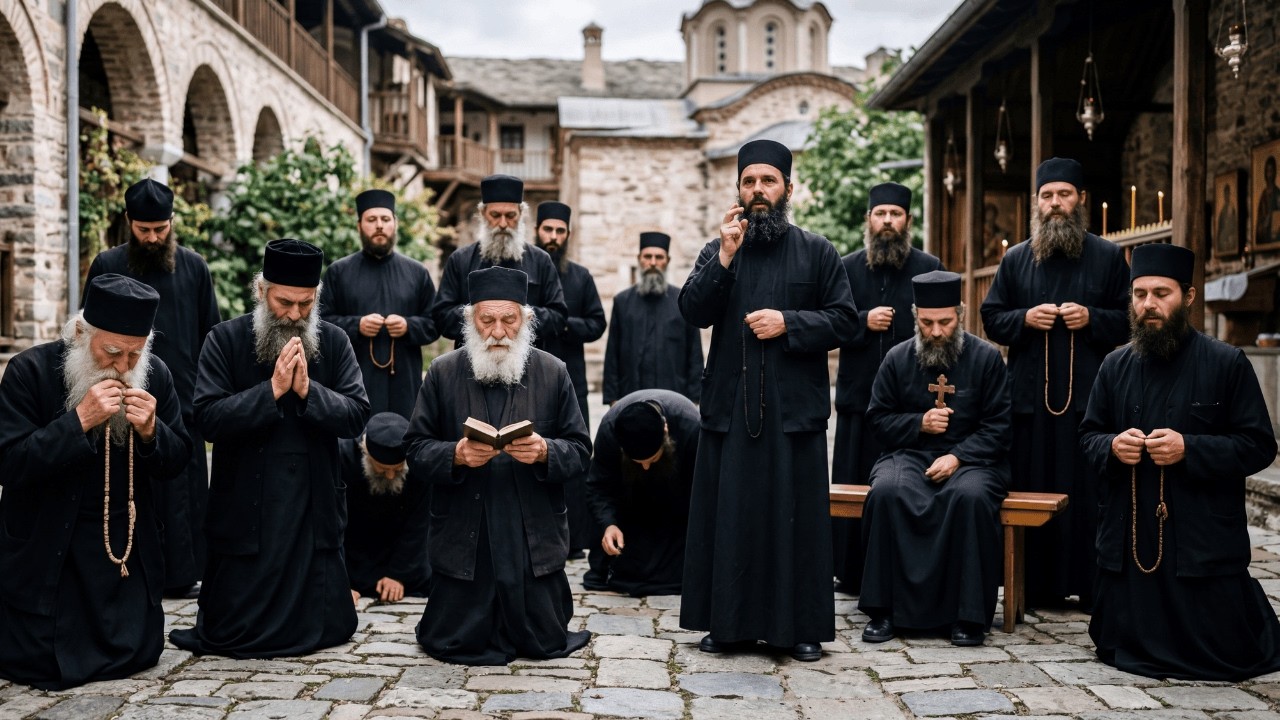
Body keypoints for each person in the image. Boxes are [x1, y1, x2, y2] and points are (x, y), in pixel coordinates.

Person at [678, 139, 859, 662]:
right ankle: (727, 625)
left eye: (768, 181)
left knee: (793, 521)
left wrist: (790, 323)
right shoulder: (719, 249)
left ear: (787, 188)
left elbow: (846, 320)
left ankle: (798, 628)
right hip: (730, 410)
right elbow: (692, 310)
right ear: (738, 189)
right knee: (730, 516)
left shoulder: (818, 251)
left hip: (792, 414)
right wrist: (726, 257)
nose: (758, 191)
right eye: (749, 181)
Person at [1080, 243, 1280, 681]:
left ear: (1188, 297)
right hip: (1132, 546)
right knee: (1117, 643)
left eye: (1161, 293)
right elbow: (1088, 438)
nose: (1148, 304)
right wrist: (1113, 446)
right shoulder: (1114, 366)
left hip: (1199, 542)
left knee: (1227, 650)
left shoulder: (1226, 362)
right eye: (1139, 294)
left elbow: (1258, 445)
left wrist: (1191, 448)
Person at [170, 239, 370, 658]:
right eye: (285, 303)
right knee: (235, 618)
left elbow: (356, 415)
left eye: (306, 303)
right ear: (261, 292)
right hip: (245, 498)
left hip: (311, 499)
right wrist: (273, 391)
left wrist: (308, 391)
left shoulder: (333, 342)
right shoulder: (224, 339)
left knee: (324, 617)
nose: (295, 315)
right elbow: (206, 418)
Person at [0, 274, 190, 689]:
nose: (123, 368)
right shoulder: (28, 371)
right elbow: (10, 463)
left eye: (134, 355)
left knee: (137, 652)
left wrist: (151, 432)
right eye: (111, 353)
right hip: (50, 549)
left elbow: (178, 463)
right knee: (42, 659)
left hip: (121, 551)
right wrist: (78, 421)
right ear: (81, 334)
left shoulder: (155, 375)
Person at [406, 266, 592, 665]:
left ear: (525, 320)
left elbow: (579, 450)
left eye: (509, 319)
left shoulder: (553, 372)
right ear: (470, 321)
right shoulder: (443, 372)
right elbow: (416, 449)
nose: (498, 331)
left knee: (539, 633)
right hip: (464, 526)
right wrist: (454, 455)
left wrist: (545, 450)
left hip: (530, 526)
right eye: (486, 320)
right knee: (453, 634)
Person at [980, 157, 1130, 611]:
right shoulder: (1016, 257)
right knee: (1031, 486)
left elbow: (1129, 319)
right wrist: (1024, 318)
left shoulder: (1106, 256)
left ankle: (1088, 583)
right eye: (1047, 196)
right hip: (1030, 404)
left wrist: (1092, 318)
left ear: (1080, 200)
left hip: (1088, 404)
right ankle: (1036, 584)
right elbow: (991, 317)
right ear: (1036, 204)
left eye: (1064, 194)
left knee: (1088, 494)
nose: (1055, 203)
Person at [858, 271, 1010, 647]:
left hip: (974, 460)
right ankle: (884, 611)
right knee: (887, 493)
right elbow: (877, 418)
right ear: (915, 317)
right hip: (909, 453)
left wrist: (958, 456)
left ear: (960, 313)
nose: (937, 332)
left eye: (945, 322)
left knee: (969, 498)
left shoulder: (987, 359)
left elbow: (1000, 427)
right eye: (927, 323)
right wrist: (919, 424)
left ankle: (967, 616)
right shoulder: (896, 359)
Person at [84, 178, 221, 597]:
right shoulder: (107, 264)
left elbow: (209, 334)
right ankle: (128, 564)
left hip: (184, 400)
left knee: (183, 492)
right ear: (129, 222)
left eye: (160, 229)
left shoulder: (194, 266)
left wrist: (204, 392)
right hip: (119, 392)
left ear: (172, 222)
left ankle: (184, 574)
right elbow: (87, 331)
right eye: (144, 230)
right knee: (127, 485)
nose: (152, 237)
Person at [832, 182, 943, 593]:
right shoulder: (846, 267)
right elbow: (830, 324)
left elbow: (943, 327)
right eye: (881, 214)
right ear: (869, 220)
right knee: (854, 484)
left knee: (904, 485)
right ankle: (851, 570)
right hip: (857, 400)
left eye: (896, 215)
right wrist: (863, 321)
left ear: (908, 221)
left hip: (909, 406)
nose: (888, 222)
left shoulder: (929, 266)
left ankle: (899, 567)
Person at [321, 189, 438, 419]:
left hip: (404, 382)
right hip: (353, 380)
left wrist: (408, 326)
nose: (379, 226)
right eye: (371, 219)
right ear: (359, 225)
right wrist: (357, 326)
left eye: (385, 219)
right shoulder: (339, 272)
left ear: (395, 223)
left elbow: (435, 322)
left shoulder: (417, 272)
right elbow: (321, 324)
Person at [532, 200, 606, 560]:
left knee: (574, 451)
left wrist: (561, 323)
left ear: (568, 235)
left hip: (570, 377)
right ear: (537, 231)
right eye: (548, 230)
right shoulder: (527, 270)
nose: (553, 237)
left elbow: (596, 323)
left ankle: (575, 539)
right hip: (530, 379)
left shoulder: (580, 276)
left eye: (560, 231)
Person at [431, 175, 568, 352]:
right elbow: (441, 316)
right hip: (471, 366)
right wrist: (476, 316)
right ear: (482, 214)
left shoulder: (541, 260)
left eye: (510, 216)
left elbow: (558, 316)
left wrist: (522, 315)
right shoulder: (460, 260)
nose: (503, 224)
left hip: (528, 365)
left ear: (521, 214)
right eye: (495, 215)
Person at [584, 390, 698, 596]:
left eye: (652, 459)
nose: (645, 467)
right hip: (630, 502)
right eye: (638, 462)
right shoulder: (611, 429)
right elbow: (599, 486)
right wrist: (608, 524)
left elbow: (701, 494)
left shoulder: (690, 426)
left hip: (677, 506)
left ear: (665, 431)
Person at [603, 232, 704, 405]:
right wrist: (613, 399)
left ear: (668, 261)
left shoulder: (684, 300)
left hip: (675, 397)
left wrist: (694, 399)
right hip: (631, 396)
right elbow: (613, 354)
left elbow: (694, 355)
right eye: (647, 256)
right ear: (639, 259)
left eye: (659, 257)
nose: (653, 262)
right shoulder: (622, 302)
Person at [342, 412, 431, 603]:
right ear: (365, 451)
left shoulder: (419, 465)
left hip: (402, 557)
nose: (391, 476)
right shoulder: (343, 459)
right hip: (352, 558)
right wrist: (340, 581)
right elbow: (333, 525)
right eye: (382, 470)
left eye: (398, 470)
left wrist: (399, 574)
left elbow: (418, 526)